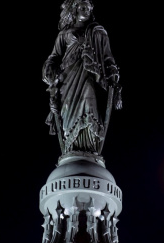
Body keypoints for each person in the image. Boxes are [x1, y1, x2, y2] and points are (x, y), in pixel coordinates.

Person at [43, 0, 122, 156]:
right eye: (82, 7)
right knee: (67, 112)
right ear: (75, 10)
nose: (86, 10)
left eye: (88, 8)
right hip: (68, 77)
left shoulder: (98, 32)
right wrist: (50, 70)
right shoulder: (64, 33)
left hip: (90, 75)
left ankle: (90, 146)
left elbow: (107, 56)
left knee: (89, 98)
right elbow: (54, 56)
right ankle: (71, 147)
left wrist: (112, 74)